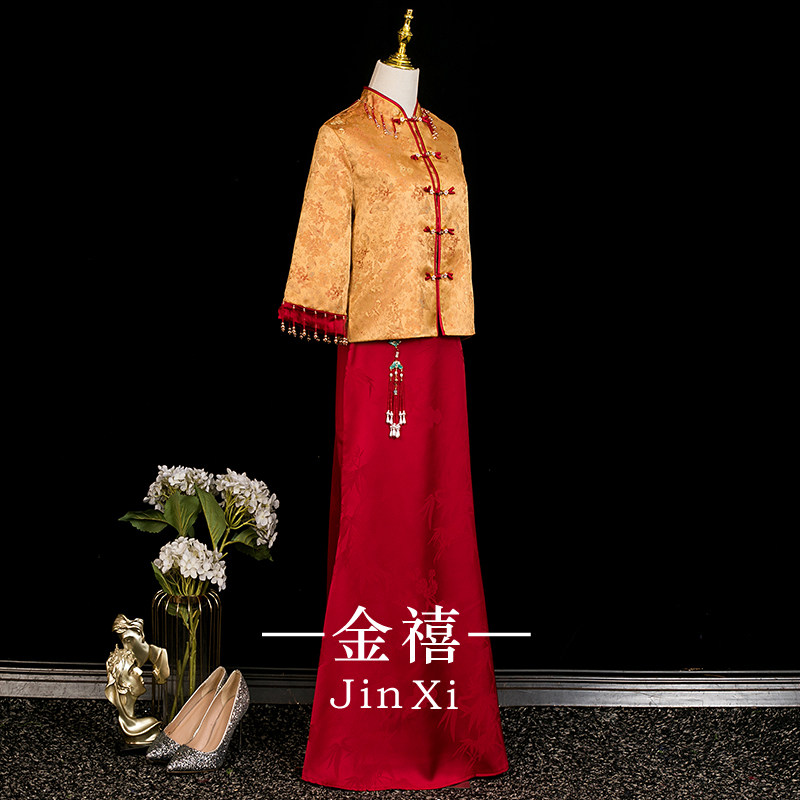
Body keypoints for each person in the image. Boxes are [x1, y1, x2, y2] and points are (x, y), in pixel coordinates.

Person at [279, 11, 509, 791]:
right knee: (379, 526)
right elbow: (318, 258)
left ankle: (454, 730)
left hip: (443, 354)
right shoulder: (342, 136)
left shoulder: (445, 134)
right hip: (382, 358)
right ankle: (365, 738)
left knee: (446, 527)